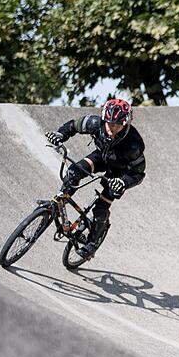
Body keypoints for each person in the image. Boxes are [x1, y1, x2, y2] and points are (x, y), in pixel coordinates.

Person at [44, 98, 146, 259]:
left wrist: (123, 182)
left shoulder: (134, 144)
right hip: (100, 158)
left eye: (118, 125)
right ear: (104, 119)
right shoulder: (94, 123)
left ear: (126, 124)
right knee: (73, 173)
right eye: (110, 124)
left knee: (101, 207)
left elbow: (138, 173)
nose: (112, 128)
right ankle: (60, 202)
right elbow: (73, 126)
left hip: (119, 172)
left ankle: (92, 244)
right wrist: (59, 135)